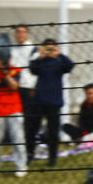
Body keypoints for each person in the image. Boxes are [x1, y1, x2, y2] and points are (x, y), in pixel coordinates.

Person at [27, 38, 74, 166]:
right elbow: (31, 69)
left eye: (51, 47)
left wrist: (59, 54)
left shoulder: (59, 62)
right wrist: (40, 56)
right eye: (47, 47)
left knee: (53, 131)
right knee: (32, 129)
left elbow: (70, 66)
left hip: (54, 102)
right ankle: (29, 154)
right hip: (38, 101)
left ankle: (52, 157)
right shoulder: (40, 62)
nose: (49, 50)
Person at [0, 58, 27, 179]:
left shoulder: (15, 70)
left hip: (13, 108)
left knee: (17, 138)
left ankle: (21, 166)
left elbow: (14, 86)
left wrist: (6, 73)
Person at [10, 24, 38, 122]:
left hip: (27, 86)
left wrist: (34, 87)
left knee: (28, 115)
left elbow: (36, 69)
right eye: (18, 32)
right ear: (15, 34)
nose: (20, 34)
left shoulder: (33, 49)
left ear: (27, 34)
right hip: (13, 86)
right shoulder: (11, 49)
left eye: (23, 32)